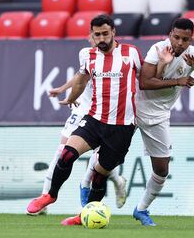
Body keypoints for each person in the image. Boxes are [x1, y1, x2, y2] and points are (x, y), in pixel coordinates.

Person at [26, 14, 142, 225]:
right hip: (94, 119)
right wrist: (69, 97)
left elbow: (146, 79)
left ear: (113, 32)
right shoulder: (88, 55)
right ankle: (50, 195)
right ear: (91, 35)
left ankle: (84, 215)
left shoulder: (131, 53)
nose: (101, 38)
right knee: (67, 153)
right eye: (96, 35)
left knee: (99, 174)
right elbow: (82, 79)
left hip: (121, 127)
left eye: (105, 33)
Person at [133, 18, 194, 226]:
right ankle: (87, 188)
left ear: (190, 40)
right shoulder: (156, 49)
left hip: (159, 116)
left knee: (162, 169)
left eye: (185, 39)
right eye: (176, 37)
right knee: (110, 155)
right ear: (170, 34)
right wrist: (178, 80)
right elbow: (145, 83)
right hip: (133, 110)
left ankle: (141, 209)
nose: (179, 43)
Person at [25, 76, 127, 216]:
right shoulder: (87, 53)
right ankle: (45, 197)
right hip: (82, 108)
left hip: (103, 112)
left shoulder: (120, 57)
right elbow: (82, 75)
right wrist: (63, 89)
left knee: (100, 161)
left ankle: (111, 186)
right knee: (63, 152)